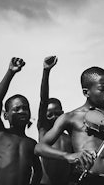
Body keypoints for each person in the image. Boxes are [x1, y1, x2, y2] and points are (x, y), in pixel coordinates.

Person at [35, 66, 104, 185]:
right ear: (86, 92)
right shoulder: (70, 117)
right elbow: (39, 148)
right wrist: (68, 155)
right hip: (87, 179)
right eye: (102, 88)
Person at [0, 57, 42, 185]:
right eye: (16, 109)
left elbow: (38, 172)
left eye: (25, 108)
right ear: (5, 115)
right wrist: (10, 72)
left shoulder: (32, 143)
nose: (22, 111)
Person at [38, 56, 72, 185]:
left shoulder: (69, 138)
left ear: (63, 114)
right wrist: (46, 72)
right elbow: (43, 101)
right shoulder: (44, 131)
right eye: (49, 115)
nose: (54, 117)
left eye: (57, 114)